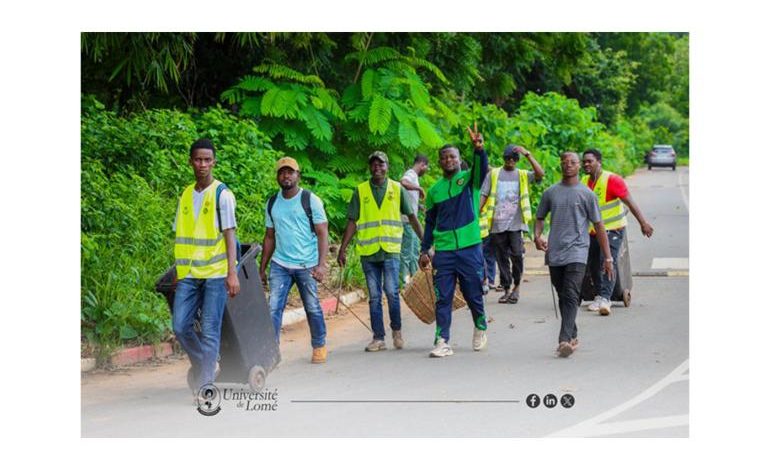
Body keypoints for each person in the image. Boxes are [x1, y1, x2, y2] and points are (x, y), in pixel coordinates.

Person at [172, 138, 240, 394]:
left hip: (215, 272)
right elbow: (180, 234)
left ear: (214, 162)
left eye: (207, 160)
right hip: (189, 272)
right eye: (198, 159)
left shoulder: (223, 195)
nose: (202, 164)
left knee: (210, 331)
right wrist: (180, 271)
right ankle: (207, 364)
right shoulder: (186, 194)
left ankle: (205, 386)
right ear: (191, 162)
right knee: (180, 326)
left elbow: (229, 235)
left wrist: (232, 273)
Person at [338, 151, 424, 352]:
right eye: (374, 164)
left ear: (387, 167)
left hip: (390, 251)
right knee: (375, 296)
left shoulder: (397, 189)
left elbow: (412, 217)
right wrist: (342, 248)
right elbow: (352, 221)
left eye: (381, 164)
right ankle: (378, 338)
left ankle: (397, 331)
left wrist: (426, 243)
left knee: (392, 293)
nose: (377, 167)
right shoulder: (361, 191)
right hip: (369, 252)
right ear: (370, 167)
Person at [418, 123, 489, 358]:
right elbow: (429, 223)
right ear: (439, 162)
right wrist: (424, 249)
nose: (449, 160)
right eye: (444, 157)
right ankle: (442, 340)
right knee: (443, 297)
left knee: (472, 293)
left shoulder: (469, 181)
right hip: (445, 251)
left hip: (470, 247)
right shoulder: (434, 191)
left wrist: (478, 150)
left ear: (459, 160)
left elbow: (482, 170)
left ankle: (480, 326)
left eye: (453, 156)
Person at [534, 151, 613, 358]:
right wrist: (537, 235)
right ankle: (573, 332)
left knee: (570, 293)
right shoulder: (551, 192)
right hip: (555, 252)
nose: (568, 165)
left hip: (578, 251)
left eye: (573, 162)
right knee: (563, 294)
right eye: (565, 162)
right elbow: (540, 217)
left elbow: (599, 226)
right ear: (560, 165)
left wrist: (608, 257)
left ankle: (564, 340)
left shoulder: (587, 194)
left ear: (579, 166)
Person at [260, 157, 330, 364]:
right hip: (280, 264)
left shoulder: (310, 200)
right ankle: (271, 352)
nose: (286, 176)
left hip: (306, 265)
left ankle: (319, 345)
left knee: (312, 306)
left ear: (298, 175)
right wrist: (262, 268)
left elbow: (322, 232)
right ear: (277, 177)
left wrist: (321, 264)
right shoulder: (272, 203)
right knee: (273, 307)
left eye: (290, 172)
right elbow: (269, 237)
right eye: (282, 172)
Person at [581, 148, 654, 315]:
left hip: (613, 229)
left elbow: (630, 202)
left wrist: (643, 223)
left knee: (607, 260)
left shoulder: (612, 180)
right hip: (592, 231)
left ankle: (606, 299)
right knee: (592, 263)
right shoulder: (584, 181)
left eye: (589, 161)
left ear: (599, 162)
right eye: (584, 161)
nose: (586, 164)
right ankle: (599, 296)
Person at [480, 144, 545, 304]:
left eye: (513, 159)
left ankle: (517, 286)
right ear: (503, 159)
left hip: (516, 224)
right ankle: (507, 289)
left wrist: (528, 154)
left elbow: (540, 174)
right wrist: (476, 213)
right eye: (507, 158)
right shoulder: (494, 174)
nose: (510, 161)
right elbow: (484, 194)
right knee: (501, 258)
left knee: (516, 255)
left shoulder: (522, 174)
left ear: (516, 160)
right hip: (497, 224)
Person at [399, 154, 429, 285]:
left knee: (415, 251)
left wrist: (420, 206)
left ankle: (415, 280)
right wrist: (419, 188)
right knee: (406, 252)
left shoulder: (415, 177)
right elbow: (403, 182)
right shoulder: (411, 174)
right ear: (422, 165)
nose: (426, 170)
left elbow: (409, 198)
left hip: (413, 222)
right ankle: (404, 282)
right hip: (407, 221)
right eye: (426, 167)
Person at [478, 167, 497, 296]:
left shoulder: (479, 187)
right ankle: (489, 280)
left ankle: (486, 281)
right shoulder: (489, 185)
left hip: (482, 227)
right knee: (487, 256)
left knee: (483, 256)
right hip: (486, 226)